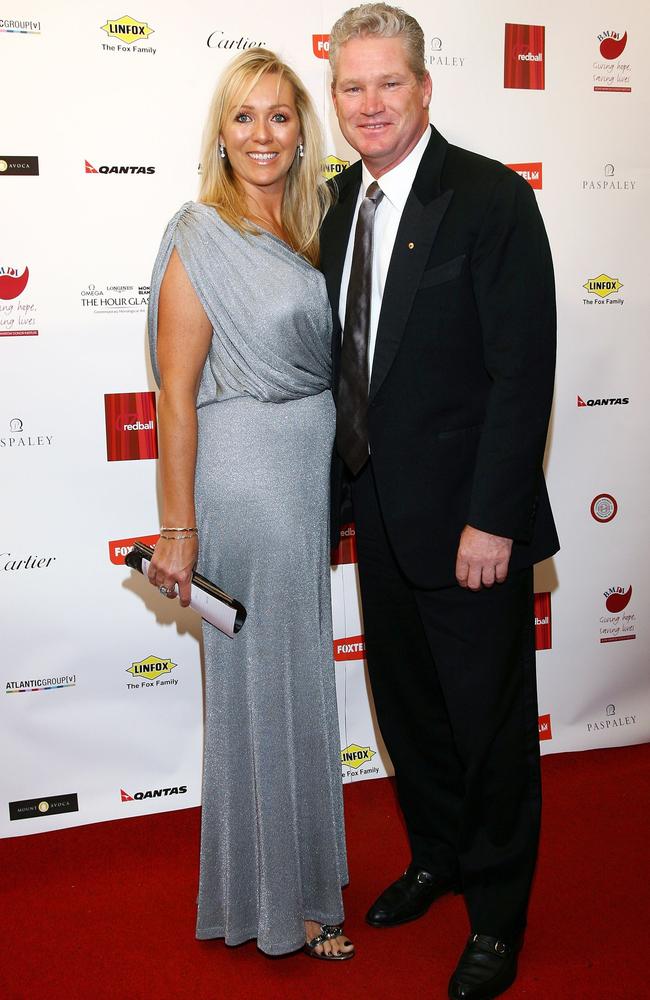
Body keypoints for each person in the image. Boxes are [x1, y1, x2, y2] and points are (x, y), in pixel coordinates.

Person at [320, 4, 558, 997]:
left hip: (471, 525)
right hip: (374, 512)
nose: (369, 104)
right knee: (409, 707)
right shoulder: (333, 203)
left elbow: (521, 372)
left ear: (423, 88)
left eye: (388, 83)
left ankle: (497, 914)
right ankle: (437, 855)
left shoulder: (490, 197)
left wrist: (491, 518)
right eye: (350, 86)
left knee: (487, 722)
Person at [145, 48, 354, 961]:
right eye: (244, 117)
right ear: (220, 135)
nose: (263, 134)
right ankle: (287, 906)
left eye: (279, 116)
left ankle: (284, 883)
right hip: (248, 478)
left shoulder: (313, 225)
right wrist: (179, 531)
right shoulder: (201, 233)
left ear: (302, 130)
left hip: (307, 475)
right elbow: (175, 397)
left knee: (296, 679)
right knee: (263, 685)